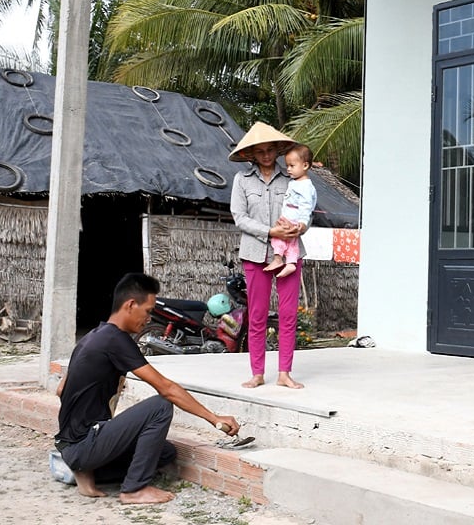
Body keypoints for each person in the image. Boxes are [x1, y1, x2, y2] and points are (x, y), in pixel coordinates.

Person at [55, 273, 240, 504]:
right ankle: (133, 489)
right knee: (160, 406)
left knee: (165, 453)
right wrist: (214, 418)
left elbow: (61, 390)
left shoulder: (91, 337)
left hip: (71, 446)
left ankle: (87, 471)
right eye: (147, 311)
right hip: (84, 445)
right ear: (131, 305)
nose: (148, 319)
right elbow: (166, 388)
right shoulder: (116, 340)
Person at [228, 122, 305, 389]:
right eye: (260, 151)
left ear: (277, 150)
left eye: (270, 150)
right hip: (254, 253)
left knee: (288, 314)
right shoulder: (242, 180)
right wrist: (271, 231)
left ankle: (284, 373)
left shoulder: (291, 179)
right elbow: (239, 217)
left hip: (290, 254)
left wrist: (301, 227)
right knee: (258, 314)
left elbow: (305, 210)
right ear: (251, 154)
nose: (266, 156)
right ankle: (257, 373)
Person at [264, 144, 317, 278]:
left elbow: (307, 206)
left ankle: (277, 259)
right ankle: (291, 263)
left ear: (305, 165)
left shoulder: (305, 186)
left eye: (292, 166)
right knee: (292, 243)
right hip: (292, 218)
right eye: (287, 165)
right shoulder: (296, 182)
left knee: (278, 238)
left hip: (292, 219)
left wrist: (303, 222)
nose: (288, 169)